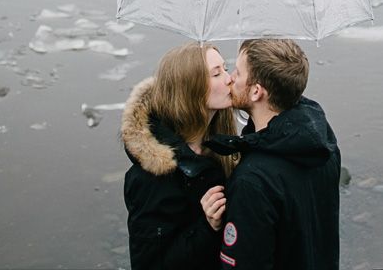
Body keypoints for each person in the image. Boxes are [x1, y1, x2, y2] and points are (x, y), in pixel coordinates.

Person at [206, 38, 341, 270]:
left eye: (238, 72)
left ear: (257, 91)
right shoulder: (324, 146)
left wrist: (211, 227)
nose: (230, 79)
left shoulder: (253, 181)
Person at [122, 43, 238, 269]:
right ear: (190, 89)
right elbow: (150, 265)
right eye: (216, 73)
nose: (229, 79)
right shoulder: (152, 177)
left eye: (225, 68)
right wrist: (207, 226)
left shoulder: (223, 148)